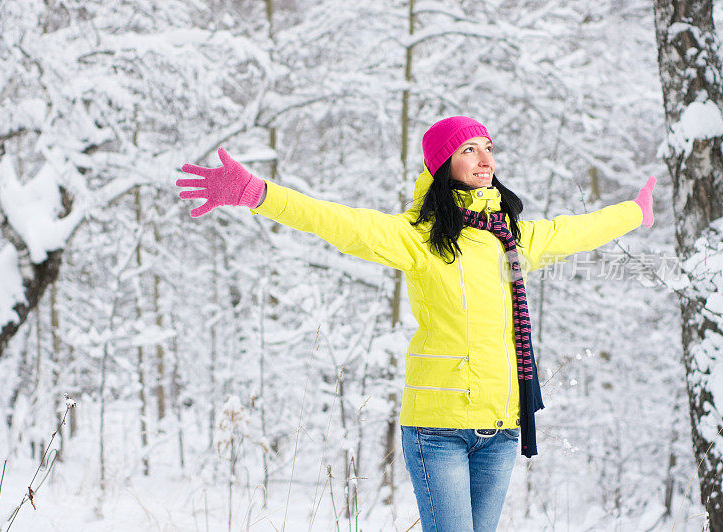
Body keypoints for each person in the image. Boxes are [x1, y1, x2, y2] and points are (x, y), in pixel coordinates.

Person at [176, 116, 656, 532]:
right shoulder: (418, 238)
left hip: (502, 425)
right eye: (469, 149)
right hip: (438, 427)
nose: (484, 157)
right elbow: (339, 222)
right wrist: (259, 193)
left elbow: (576, 230)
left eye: (488, 148)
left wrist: (635, 211)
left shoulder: (513, 237)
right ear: (442, 164)